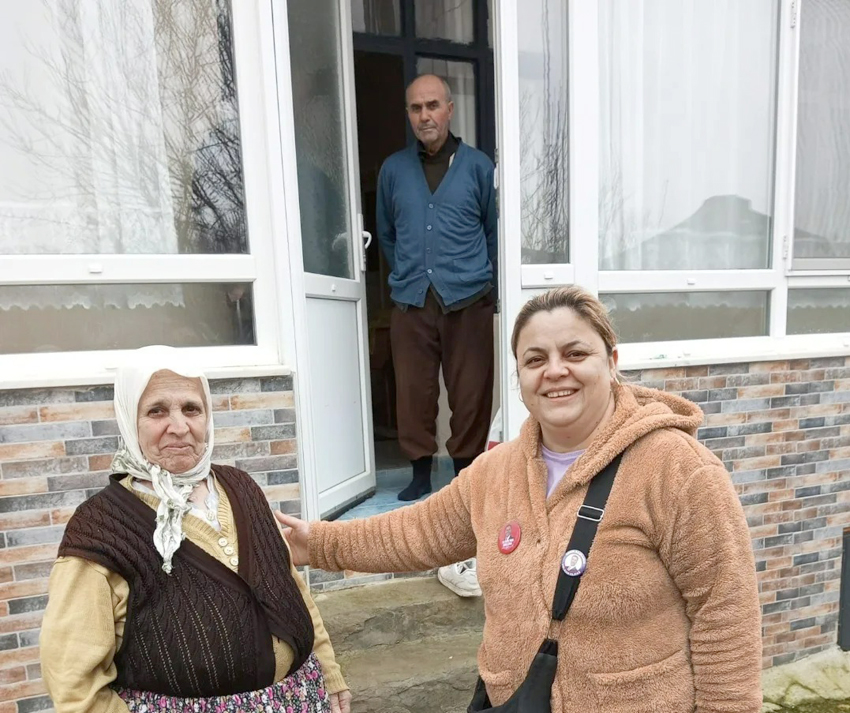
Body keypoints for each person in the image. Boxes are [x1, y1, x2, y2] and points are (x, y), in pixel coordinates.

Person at [277, 286, 763, 712]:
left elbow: (726, 617)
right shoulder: (495, 473)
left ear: (611, 362)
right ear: (520, 376)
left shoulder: (678, 470)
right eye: (535, 359)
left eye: (575, 354)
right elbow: (413, 533)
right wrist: (315, 543)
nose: (555, 371)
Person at [40, 345, 351, 713]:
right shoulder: (101, 529)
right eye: (157, 411)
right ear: (129, 419)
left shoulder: (241, 487)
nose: (179, 426)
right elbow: (75, 684)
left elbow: (292, 589)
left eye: (191, 408)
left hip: (300, 698)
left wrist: (328, 672)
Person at [378, 73, 497, 597]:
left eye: (433, 105)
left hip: (467, 297)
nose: (424, 115)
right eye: (415, 108)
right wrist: (406, 273)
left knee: (471, 389)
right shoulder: (392, 170)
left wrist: (484, 281)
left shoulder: (477, 167)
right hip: (410, 298)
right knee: (414, 389)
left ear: (450, 109)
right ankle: (421, 473)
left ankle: (465, 474)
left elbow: (492, 230)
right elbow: (386, 232)